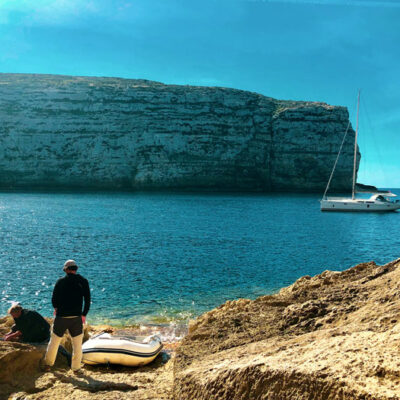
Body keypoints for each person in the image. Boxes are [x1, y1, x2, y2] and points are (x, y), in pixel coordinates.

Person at [43, 259, 90, 372]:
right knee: (77, 344)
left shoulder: (60, 281)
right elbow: (87, 299)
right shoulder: (83, 281)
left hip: (61, 317)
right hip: (76, 318)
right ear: (76, 269)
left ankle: (48, 365)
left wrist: (56, 308)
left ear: (66, 270)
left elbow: (54, 299)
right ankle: (76, 368)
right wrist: (84, 314)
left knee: (54, 342)